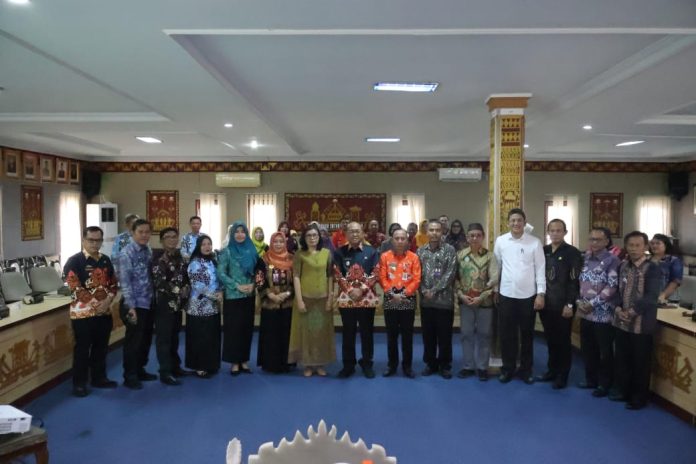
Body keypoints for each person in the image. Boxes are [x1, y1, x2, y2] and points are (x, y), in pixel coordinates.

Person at [63, 226, 119, 397]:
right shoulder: (74, 261)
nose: (95, 244)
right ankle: (79, 384)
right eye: (91, 240)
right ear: (83, 240)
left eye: (98, 240)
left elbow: (113, 284)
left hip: (104, 312)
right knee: (82, 349)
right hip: (83, 315)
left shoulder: (105, 260)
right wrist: (96, 305)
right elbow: (75, 287)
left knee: (101, 347)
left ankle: (99, 378)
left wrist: (107, 301)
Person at [493, 208, 546, 385]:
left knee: (527, 335)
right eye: (513, 220)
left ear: (524, 222)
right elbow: (497, 267)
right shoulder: (501, 241)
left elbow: (540, 269)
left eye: (519, 220)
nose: (516, 223)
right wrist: (495, 289)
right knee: (507, 335)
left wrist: (540, 294)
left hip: (528, 297)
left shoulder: (534, 242)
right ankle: (507, 369)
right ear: (508, 222)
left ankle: (526, 370)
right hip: (506, 294)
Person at [610, 231, 661, 410]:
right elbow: (616, 291)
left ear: (645, 247)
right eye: (630, 245)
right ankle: (623, 391)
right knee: (622, 359)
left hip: (642, 324)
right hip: (621, 322)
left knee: (640, 363)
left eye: (638, 245)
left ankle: (639, 398)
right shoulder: (623, 265)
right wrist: (618, 309)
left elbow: (651, 297)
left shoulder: (652, 268)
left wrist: (631, 312)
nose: (633, 249)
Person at [537, 219, 582, 389]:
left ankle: (563, 375)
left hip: (564, 305)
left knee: (563, 341)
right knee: (550, 339)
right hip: (546, 303)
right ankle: (552, 370)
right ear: (548, 232)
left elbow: (574, 281)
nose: (555, 233)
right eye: (552, 230)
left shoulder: (572, 252)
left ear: (565, 232)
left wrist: (569, 304)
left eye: (559, 230)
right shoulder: (544, 251)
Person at [576, 227, 620, 398]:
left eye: (598, 240)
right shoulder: (585, 258)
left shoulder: (612, 260)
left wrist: (593, 303)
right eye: (591, 239)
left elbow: (612, 286)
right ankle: (591, 379)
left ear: (607, 241)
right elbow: (578, 283)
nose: (594, 243)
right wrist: (579, 301)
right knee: (588, 348)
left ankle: (605, 383)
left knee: (605, 351)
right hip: (584, 312)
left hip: (603, 314)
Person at [333, 221, 380, 379]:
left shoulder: (371, 252)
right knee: (348, 332)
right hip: (347, 299)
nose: (354, 234)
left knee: (367, 332)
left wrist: (362, 289)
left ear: (362, 233)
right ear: (346, 234)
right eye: (351, 231)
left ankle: (367, 363)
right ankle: (348, 365)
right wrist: (350, 290)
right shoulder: (339, 252)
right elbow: (337, 274)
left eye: (357, 231)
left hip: (367, 299)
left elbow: (376, 273)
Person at [289, 224, 336, 376]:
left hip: (322, 299)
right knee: (306, 333)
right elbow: (296, 276)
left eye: (315, 235)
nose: (312, 238)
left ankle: (320, 364)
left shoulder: (326, 253)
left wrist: (330, 298)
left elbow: (330, 276)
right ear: (304, 238)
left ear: (319, 237)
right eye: (308, 235)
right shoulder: (299, 254)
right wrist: (299, 300)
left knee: (321, 333)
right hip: (306, 298)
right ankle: (308, 365)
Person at [455, 223, 498, 382]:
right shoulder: (460, 255)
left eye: (478, 235)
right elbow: (455, 278)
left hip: (485, 303)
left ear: (483, 237)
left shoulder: (490, 256)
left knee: (484, 335)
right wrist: (461, 295)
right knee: (466, 334)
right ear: (467, 237)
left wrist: (482, 296)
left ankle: (482, 367)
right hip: (465, 302)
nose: (475, 238)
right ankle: (468, 366)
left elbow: (494, 279)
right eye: (472, 235)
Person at [218, 221, 259, 375]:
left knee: (246, 329)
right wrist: (236, 286)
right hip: (233, 296)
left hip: (249, 295)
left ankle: (244, 360)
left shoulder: (252, 251)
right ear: (232, 234)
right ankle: (234, 362)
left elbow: (258, 272)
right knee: (233, 330)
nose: (240, 234)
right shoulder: (227, 251)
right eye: (237, 231)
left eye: (243, 231)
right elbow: (221, 273)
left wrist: (254, 284)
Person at [417, 219, 457, 379]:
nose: (434, 233)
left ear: (442, 232)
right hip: (426, 302)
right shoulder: (420, 251)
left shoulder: (450, 250)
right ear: (427, 232)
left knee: (445, 335)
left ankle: (445, 365)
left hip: (444, 301)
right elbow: (416, 274)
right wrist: (423, 290)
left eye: (437, 230)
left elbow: (450, 273)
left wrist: (433, 290)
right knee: (428, 335)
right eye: (431, 230)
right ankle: (430, 363)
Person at [378, 228, 421, 378]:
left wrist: (403, 294)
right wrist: (392, 293)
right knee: (392, 335)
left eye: (403, 238)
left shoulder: (414, 257)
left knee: (407, 335)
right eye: (397, 238)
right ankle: (392, 365)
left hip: (407, 298)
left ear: (407, 241)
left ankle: (407, 366)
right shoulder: (385, 257)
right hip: (390, 298)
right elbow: (382, 277)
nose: (400, 241)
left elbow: (416, 279)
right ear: (392, 240)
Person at [119, 219, 156, 390]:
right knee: (133, 342)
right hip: (134, 304)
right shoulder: (126, 253)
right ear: (133, 233)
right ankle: (130, 375)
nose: (144, 235)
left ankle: (140, 369)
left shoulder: (148, 250)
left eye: (147, 232)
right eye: (140, 232)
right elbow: (125, 281)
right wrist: (130, 306)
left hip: (148, 302)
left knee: (145, 339)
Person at [151, 227, 190, 386]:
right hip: (163, 305)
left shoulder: (182, 257)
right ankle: (165, 372)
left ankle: (175, 367)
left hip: (178, 305)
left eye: (174, 236)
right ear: (161, 240)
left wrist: (186, 288)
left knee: (175, 337)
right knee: (164, 339)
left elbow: (186, 277)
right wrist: (178, 290)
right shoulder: (157, 258)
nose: (172, 239)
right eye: (168, 237)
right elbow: (159, 282)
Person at [255, 232, 295, 373]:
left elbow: (297, 279)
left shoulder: (292, 259)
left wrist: (287, 294)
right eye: (275, 242)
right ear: (271, 243)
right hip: (269, 304)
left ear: (285, 243)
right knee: (271, 334)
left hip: (287, 303)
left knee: (286, 333)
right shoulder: (264, 259)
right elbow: (259, 279)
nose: (278, 244)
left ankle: (286, 363)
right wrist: (270, 295)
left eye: (281, 241)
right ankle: (270, 364)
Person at [186, 235, 223, 378]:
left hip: (213, 307)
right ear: (198, 247)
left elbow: (219, 279)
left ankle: (211, 364)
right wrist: (215, 296)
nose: (207, 247)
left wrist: (221, 291)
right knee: (199, 337)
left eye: (209, 244)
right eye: (204, 244)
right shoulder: (194, 263)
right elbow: (197, 285)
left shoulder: (213, 261)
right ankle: (199, 366)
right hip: (198, 307)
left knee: (211, 337)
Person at [649, 234, 683, 304]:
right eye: (652, 243)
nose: (654, 246)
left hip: (668, 300)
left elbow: (675, 282)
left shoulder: (674, 261)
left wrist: (663, 295)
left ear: (666, 245)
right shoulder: (646, 260)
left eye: (658, 243)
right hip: (649, 298)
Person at [111, 213, 139, 278]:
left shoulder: (141, 237)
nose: (136, 225)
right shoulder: (121, 238)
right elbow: (114, 256)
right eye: (133, 223)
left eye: (137, 223)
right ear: (127, 224)